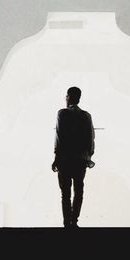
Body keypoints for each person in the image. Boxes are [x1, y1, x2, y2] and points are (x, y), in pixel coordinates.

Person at [51, 85, 95, 229]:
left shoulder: (62, 114)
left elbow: (59, 137)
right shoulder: (86, 116)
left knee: (65, 193)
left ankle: (66, 223)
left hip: (65, 160)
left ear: (68, 97)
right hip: (80, 160)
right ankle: (74, 221)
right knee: (79, 191)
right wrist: (88, 155)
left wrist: (56, 157)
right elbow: (91, 139)